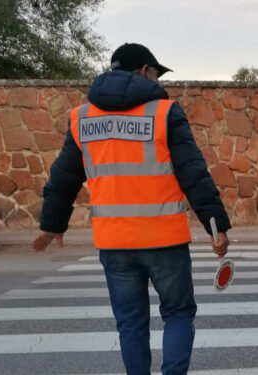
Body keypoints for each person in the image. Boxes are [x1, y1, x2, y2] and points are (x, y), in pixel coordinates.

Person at [31, 43, 231, 375]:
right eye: (155, 74)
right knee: (178, 314)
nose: (156, 82)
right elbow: (193, 173)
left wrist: (52, 225)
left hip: (115, 244)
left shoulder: (83, 118)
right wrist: (216, 226)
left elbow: (64, 176)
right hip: (164, 241)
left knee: (130, 323)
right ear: (142, 72)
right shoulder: (165, 112)